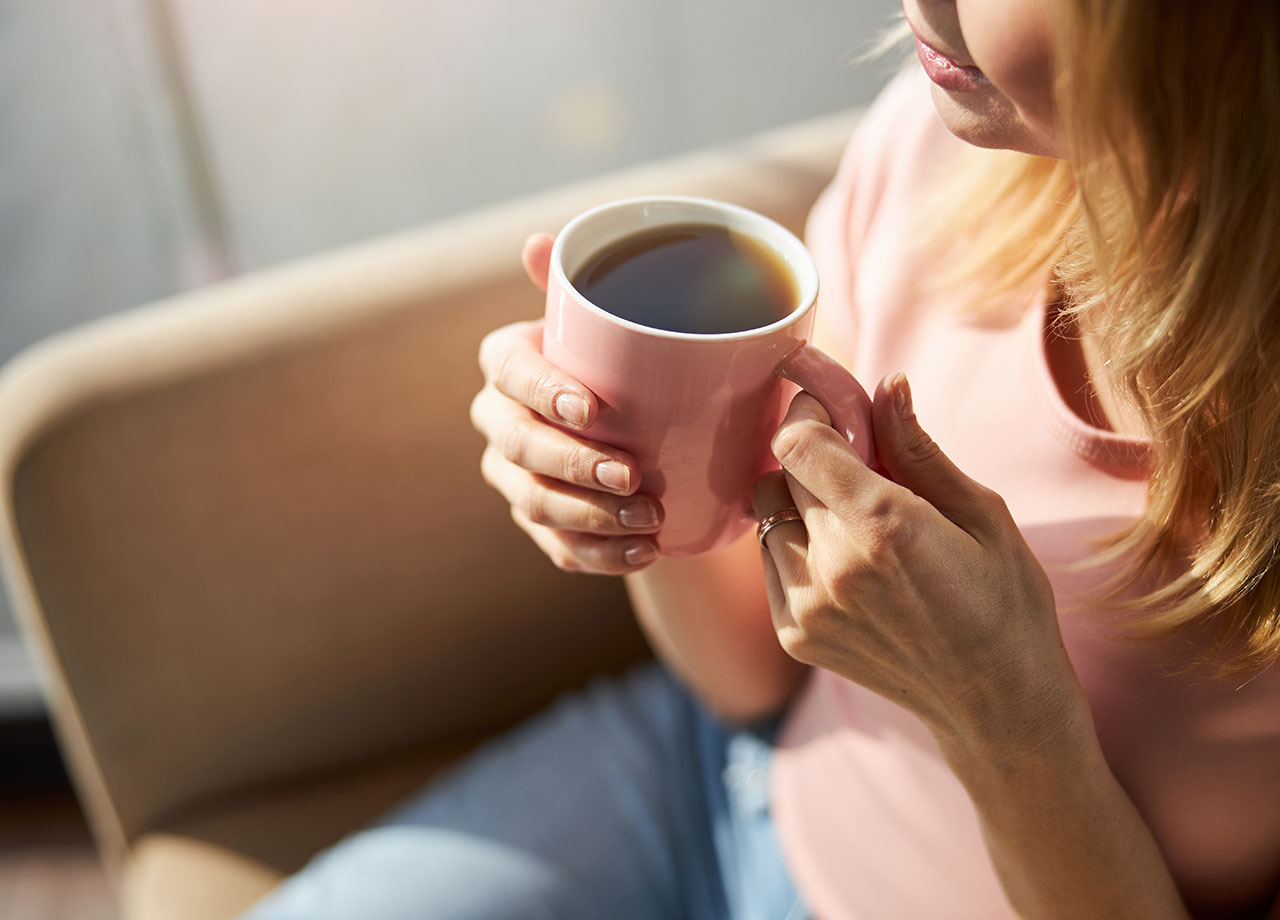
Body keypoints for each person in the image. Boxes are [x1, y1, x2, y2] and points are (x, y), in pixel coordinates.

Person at [243, 1, 1280, 917]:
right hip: (719, 786)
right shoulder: (938, 147)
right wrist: (634, 467)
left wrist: (1005, 722)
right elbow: (743, 677)